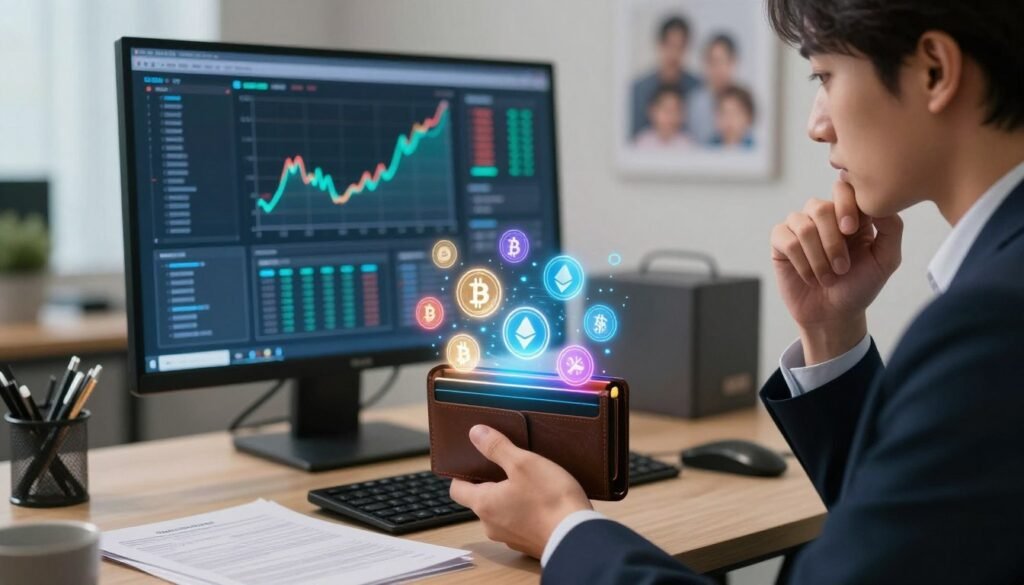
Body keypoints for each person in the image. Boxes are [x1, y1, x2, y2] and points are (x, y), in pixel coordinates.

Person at [451, 0, 1024, 583]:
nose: (816, 124)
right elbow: (911, 539)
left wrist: (563, 529)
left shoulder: (992, 321)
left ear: (934, 70)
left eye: (823, 75)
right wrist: (831, 331)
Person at [630, 15, 702, 138]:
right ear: (659, 44)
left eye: (680, 47)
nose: (674, 54)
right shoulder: (639, 89)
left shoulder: (697, 87)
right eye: (670, 45)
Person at [689, 33, 739, 144]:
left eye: (722, 61)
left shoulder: (743, 100)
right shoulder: (695, 102)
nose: (717, 69)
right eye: (712, 62)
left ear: (733, 62)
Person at [633, 85, 694, 150]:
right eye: (666, 110)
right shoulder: (640, 143)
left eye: (676, 110)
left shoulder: (689, 146)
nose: (671, 116)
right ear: (652, 111)